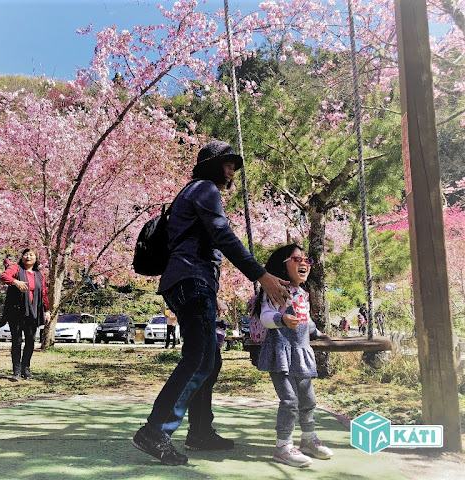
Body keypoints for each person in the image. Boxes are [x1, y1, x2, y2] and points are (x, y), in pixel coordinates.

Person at [132, 140, 290, 466]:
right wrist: (261, 275)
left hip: (189, 282)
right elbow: (222, 235)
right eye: (227, 162)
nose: (232, 169)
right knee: (199, 359)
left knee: (210, 360)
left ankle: (200, 432)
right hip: (192, 282)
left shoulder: (190, 193)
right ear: (211, 165)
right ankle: (155, 431)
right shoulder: (204, 189)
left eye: (234, 163)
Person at [254, 244, 333, 468]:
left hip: (300, 351)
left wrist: (316, 331)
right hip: (280, 351)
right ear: (282, 265)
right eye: (296, 259)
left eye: (306, 260)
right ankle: (283, 446)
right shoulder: (275, 290)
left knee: (308, 400)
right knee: (289, 401)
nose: (304, 264)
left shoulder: (303, 294)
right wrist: (282, 319)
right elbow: (265, 317)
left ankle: (308, 439)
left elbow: (305, 320)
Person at [0, 248, 50, 382]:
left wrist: (47, 310)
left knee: (30, 341)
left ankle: (25, 368)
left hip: (33, 312)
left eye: (31, 254)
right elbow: (4, 276)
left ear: (36, 258)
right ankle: (16, 371)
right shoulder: (16, 269)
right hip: (17, 311)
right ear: (22, 257)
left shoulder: (39, 274)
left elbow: (44, 293)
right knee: (16, 341)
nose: (28, 257)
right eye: (26, 254)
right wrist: (16, 282)